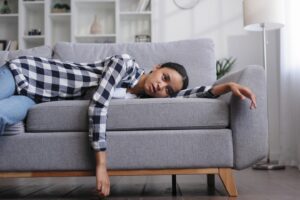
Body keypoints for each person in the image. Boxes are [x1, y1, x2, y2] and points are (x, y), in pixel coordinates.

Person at [0, 54, 256, 197]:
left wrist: (225, 87)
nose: (161, 87)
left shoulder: (138, 97)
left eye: (168, 89)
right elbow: (98, 104)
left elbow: (186, 96)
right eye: (164, 77)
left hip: (32, 98)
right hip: (24, 73)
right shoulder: (125, 64)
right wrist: (101, 166)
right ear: (156, 67)